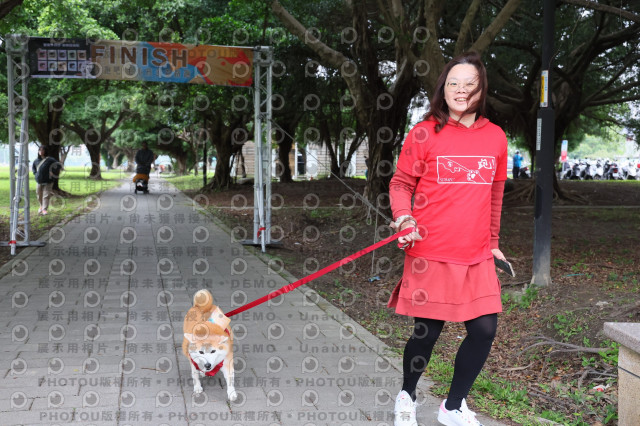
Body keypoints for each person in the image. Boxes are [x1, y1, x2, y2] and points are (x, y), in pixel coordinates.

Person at [388, 51, 508, 426]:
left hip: (476, 254)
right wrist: (404, 218)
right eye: (453, 83)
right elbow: (400, 183)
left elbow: (495, 196)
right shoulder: (425, 132)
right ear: (443, 88)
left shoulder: (495, 136)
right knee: (427, 333)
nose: (460, 90)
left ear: (481, 89)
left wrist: (493, 243)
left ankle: (452, 407)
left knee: (484, 329)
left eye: (469, 83)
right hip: (431, 251)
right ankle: (407, 396)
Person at [32, 145, 60, 215]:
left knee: (46, 195)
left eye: (42, 150)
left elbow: (58, 165)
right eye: (40, 150)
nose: (41, 152)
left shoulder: (50, 160)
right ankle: (41, 206)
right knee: (39, 194)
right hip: (39, 180)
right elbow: (33, 168)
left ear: (45, 151)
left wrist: (53, 172)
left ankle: (44, 209)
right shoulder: (36, 161)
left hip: (48, 181)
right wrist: (35, 174)